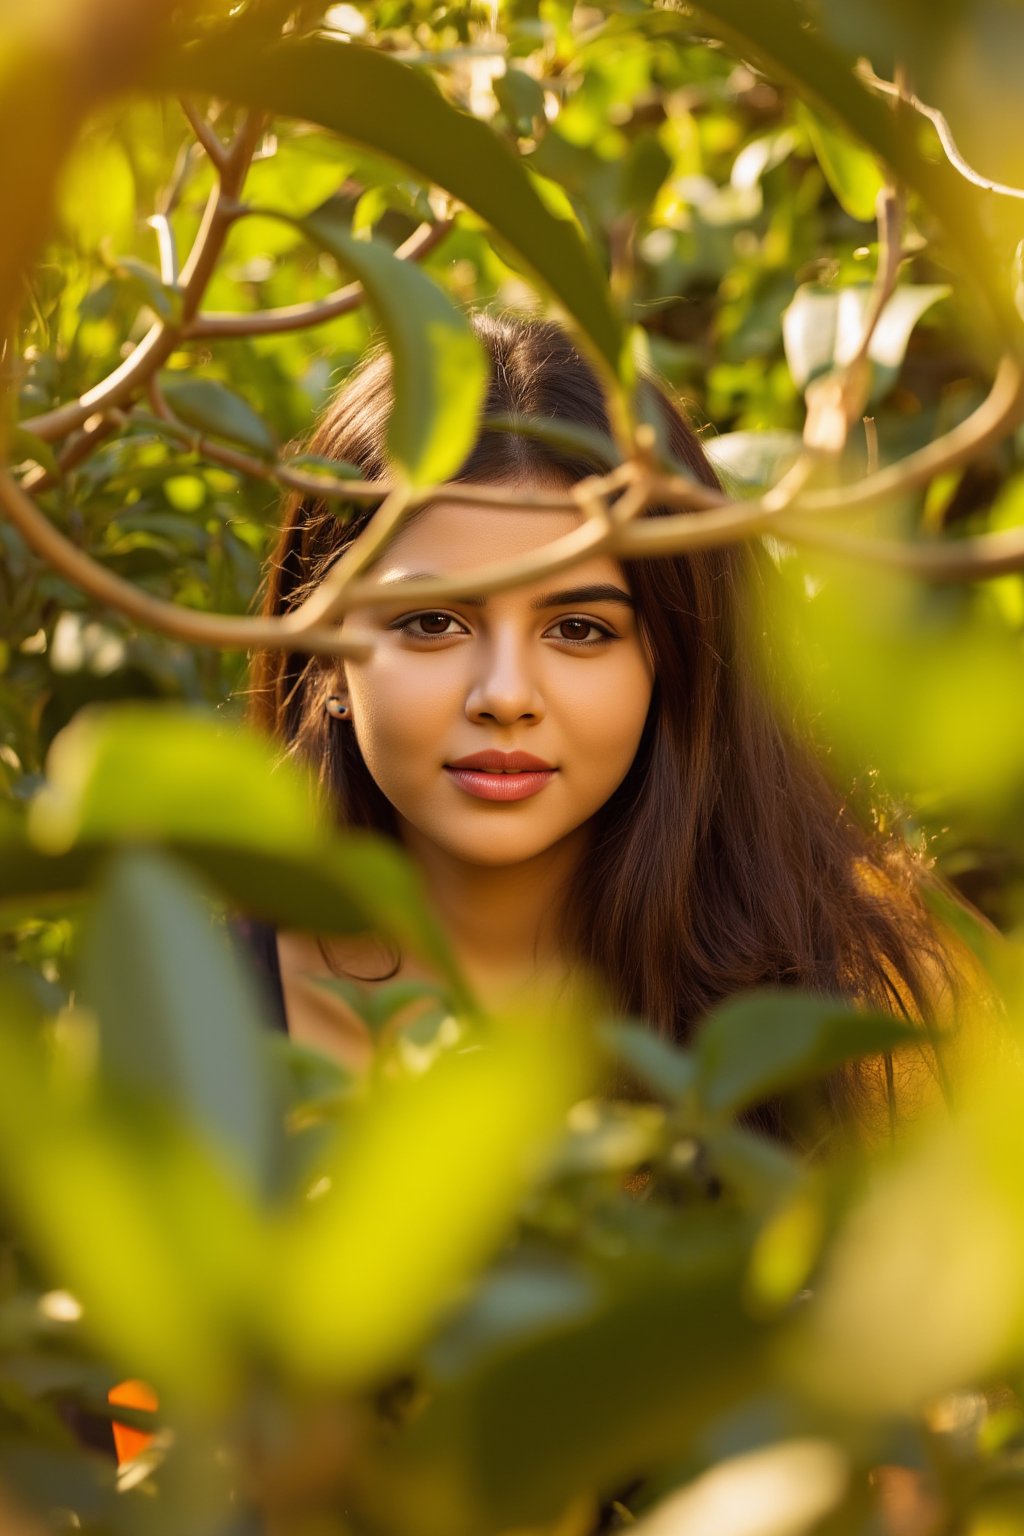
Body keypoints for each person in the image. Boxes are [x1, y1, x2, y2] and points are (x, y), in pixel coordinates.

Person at [239, 309, 971, 1150]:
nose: (505, 696)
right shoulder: (189, 998)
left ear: (676, 662)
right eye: (432, 622)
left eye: (580, 629)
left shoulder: (867, 993)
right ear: (324, 654)